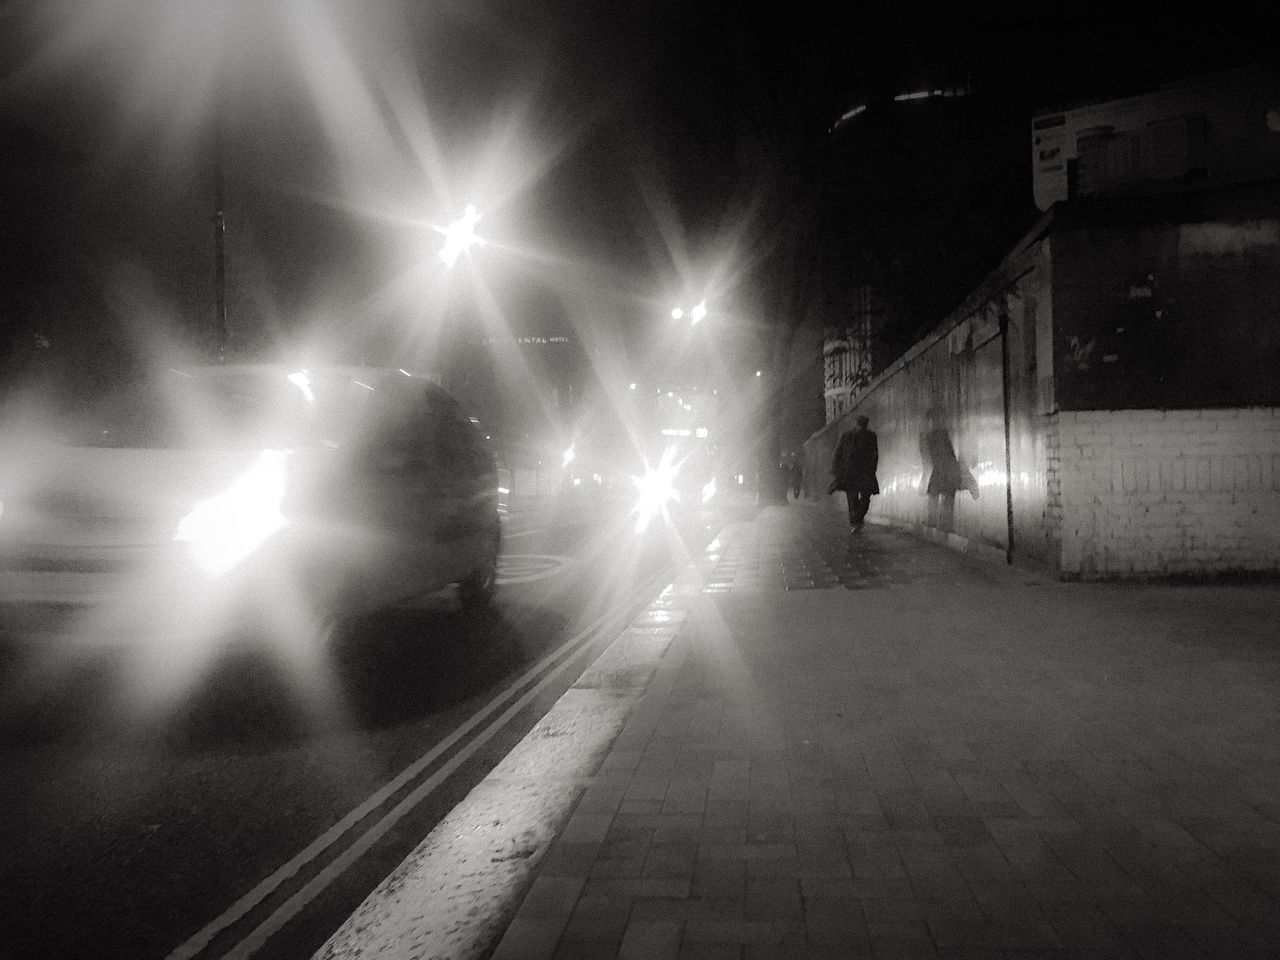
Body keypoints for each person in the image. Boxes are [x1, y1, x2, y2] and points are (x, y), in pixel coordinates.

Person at [829, 414, 879, 531]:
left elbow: (838, 452)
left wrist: (835, 469)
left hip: (850, 473)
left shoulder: (847, 436)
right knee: (865, 498)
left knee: (852, 499)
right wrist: (872, 469)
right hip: (865, 473)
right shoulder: (871, 436)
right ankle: (857, 520)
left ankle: (855, 522)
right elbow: (875, 455)